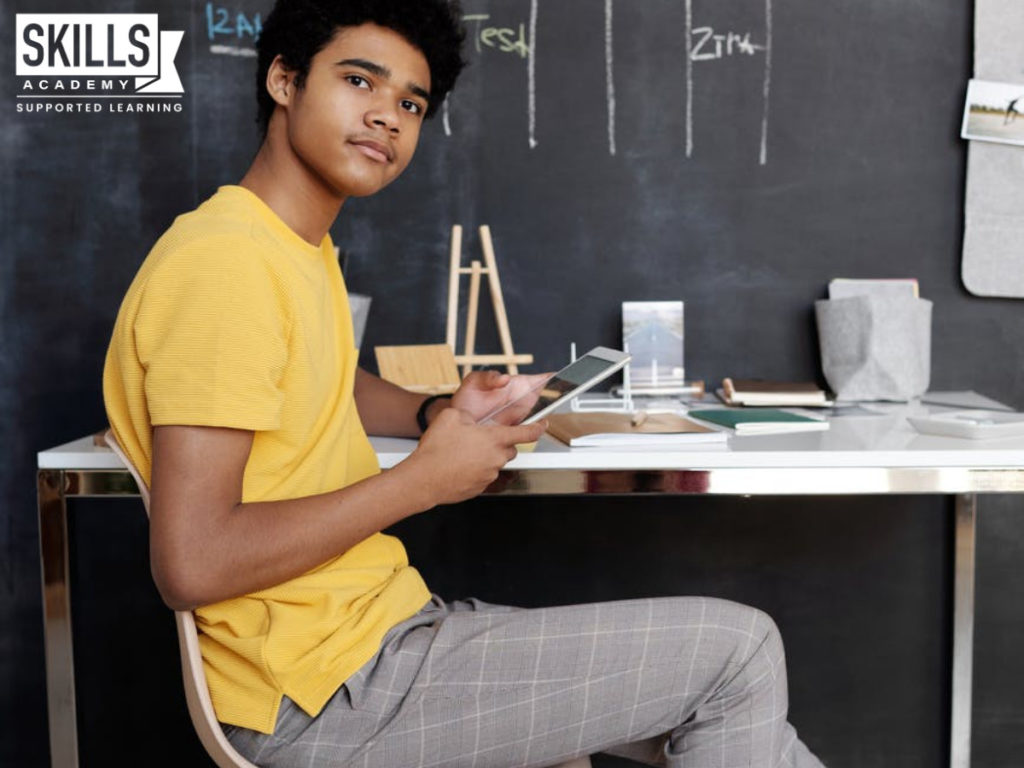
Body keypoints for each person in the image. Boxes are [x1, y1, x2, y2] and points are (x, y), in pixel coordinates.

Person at [103, 1, 826, 766]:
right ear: (284, 80)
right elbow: (193, 563)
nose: (386, 117)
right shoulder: (226, 266)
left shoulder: (289, 247)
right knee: (739, 655)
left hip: (376, 637)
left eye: (410, 104)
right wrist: (422, 481)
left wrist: (434, 410)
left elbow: (318, 380)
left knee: (759, 732)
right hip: (322, 694)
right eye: (359, 81)